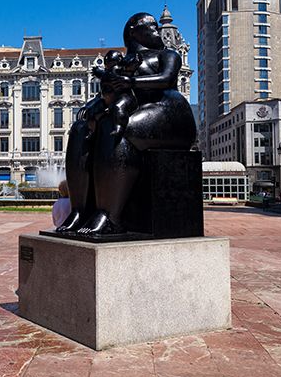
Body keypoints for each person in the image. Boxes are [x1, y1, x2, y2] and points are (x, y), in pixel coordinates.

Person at [58, 12, 196, 236]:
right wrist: (95, 106)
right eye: (151, 27)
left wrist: (130, 81)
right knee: (79, 129)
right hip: (139, 109)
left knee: (118, 128)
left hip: (169, 111)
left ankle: (110, 215)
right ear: (133, 31)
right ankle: (79, 210)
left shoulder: (167, 55)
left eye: (156, 27)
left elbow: (168, 79)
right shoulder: (120, 63)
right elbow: (111, 91)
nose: (156, 31)